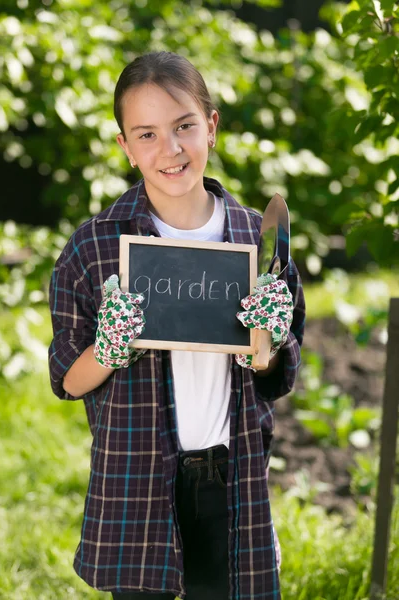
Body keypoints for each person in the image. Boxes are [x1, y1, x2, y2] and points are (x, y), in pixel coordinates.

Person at [48, 51, 305, 600]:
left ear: (210, 126)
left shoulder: (256, 241)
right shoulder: (94, 248)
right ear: (125, 146)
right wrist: (109, 347)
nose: (170, 149)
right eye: (146, 134)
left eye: (184, 126)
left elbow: (278, 375)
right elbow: (68, 380)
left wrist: (269, 340)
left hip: (230, 482)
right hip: (135, 482)